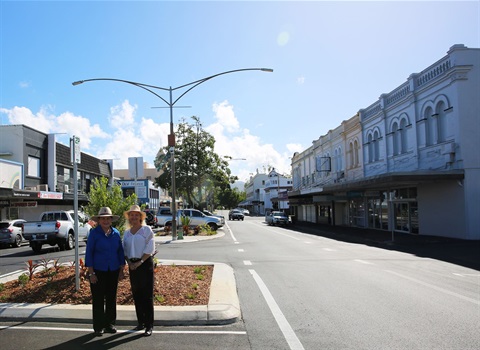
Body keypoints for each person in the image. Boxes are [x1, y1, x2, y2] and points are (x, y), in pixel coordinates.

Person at [85, 207, 125, 336]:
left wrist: (121, 270)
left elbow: (120, 252)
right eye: (103, 218)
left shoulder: (116, 233)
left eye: (108, 218)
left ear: (111, 220)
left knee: (111, 298)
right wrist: (91, 273)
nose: (105, 220)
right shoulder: (94, 233)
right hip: (98, 271)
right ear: (99, 220)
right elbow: (89, 253)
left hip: (113, 270)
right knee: (98, 299)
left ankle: (109, 324)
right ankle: (98, 327)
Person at [123, 205, 156, 336]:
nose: (134, 217)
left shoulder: (146, 230)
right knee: (137, 294)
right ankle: (140, 322)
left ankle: (149, 325)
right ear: (129, 217)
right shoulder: (126, 233)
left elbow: (150, 247)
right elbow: (124, 249)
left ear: (141, 217)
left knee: (147, 295)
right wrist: (130, 263)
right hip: (132, 265)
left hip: (144, 264)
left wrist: (140, 262)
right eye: (132, 215)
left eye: (136, 215)